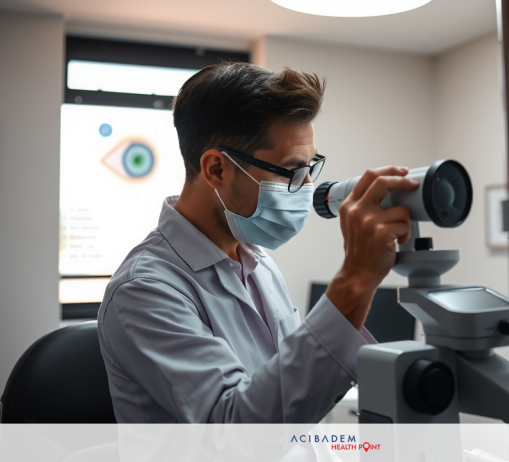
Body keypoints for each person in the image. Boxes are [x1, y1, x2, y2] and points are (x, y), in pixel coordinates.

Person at [98, 62, 418, 423]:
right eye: (291, 171)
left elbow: (290, 390)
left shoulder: (257, 261)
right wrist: (354, 280)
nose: (307, 187)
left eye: (311, 168)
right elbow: (237, 431)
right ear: (217, 169)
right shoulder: (145, 289)